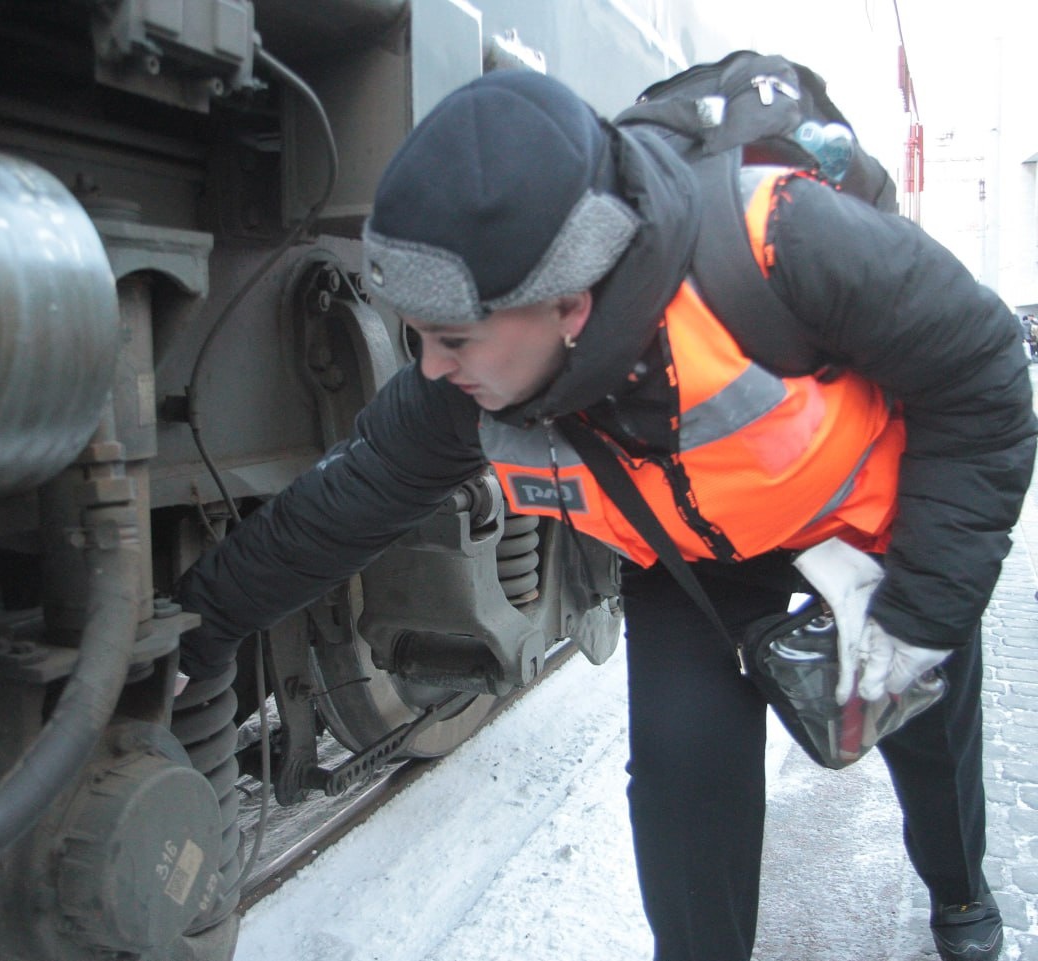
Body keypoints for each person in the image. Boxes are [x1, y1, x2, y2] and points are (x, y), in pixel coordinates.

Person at [176, 69, 1036, 961]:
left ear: (570, 305)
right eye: (420, 337)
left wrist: (924, 608)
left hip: (868, 531)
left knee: (927, 733)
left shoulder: (782, 240)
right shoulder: (471, 380)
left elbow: (983, 379)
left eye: (454, 340)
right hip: (694, 560)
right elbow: (344, 502)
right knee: (682, 782)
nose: (430, 369)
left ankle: (960, 893)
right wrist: (205, 624)